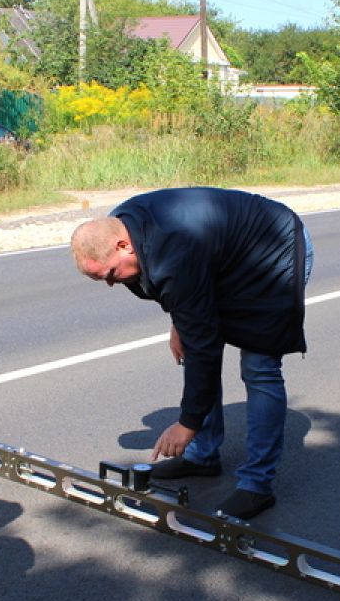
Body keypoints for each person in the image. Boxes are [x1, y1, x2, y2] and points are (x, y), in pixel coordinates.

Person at [71, 187, 313, 521]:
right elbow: (179, 288)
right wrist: (180, 320)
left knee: (259, 366)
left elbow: (204, 346)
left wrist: (187, 423)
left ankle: (257, 486)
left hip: (272, 248)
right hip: (222, 257)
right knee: (195, 344)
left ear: (123, 245)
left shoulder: (170, 247)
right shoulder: (121, 228)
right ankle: (203, 457)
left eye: (111, 274)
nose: (112, 284)